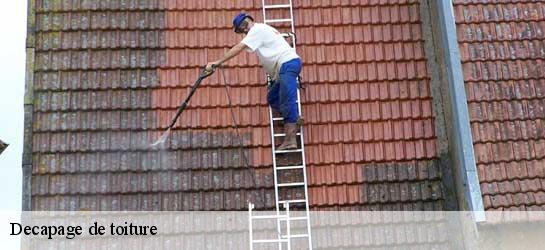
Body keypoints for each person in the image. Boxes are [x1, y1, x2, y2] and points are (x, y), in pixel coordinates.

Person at [206, 13, 302, 150]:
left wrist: (217, 62)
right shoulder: (264, 29)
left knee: (287, 99)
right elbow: (278, 44)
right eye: (241, 30)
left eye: (243, 29)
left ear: (247, 24)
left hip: (287, 65)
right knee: (273, 97)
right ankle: (294, 117)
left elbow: (239, 48)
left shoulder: (256, 30)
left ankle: (290, 140)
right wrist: (289, 46)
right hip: (284, 68)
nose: (244, 32)